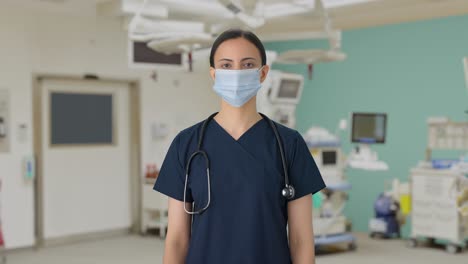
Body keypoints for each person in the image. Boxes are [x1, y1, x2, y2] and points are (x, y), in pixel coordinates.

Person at [153, 28, 326, 264]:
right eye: (226, 65)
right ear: (213, 74)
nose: (236, 72)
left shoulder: (289, 144)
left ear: (263, 73)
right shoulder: (186, 144)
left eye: (247, 64)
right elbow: (176, 240)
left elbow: (300, 239)